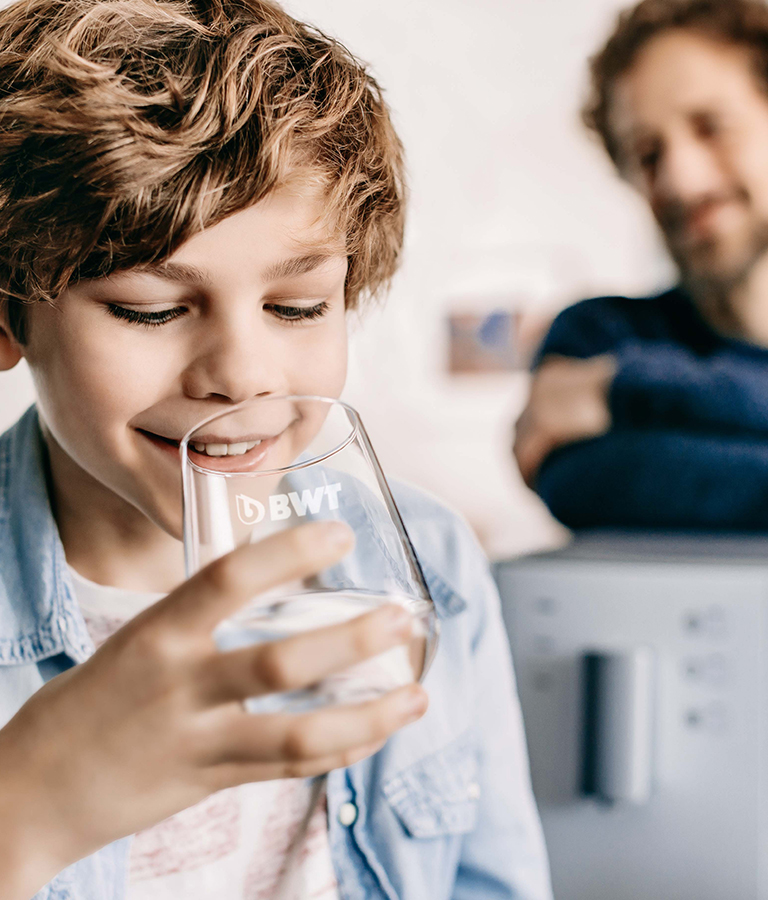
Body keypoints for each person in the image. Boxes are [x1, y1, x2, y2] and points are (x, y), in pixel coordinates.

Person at [0, 1, 552, 899]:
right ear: (10, 310)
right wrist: (25, 809)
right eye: (150, 308)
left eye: (298, 308)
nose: (243, 376)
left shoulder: (432, 567)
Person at [514, 0, 768, 530]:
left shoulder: (609, 364)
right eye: (647, 154)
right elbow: (577, 483)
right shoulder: (599, 333)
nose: (681, 181)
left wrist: (619, 388)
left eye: (711, 127)